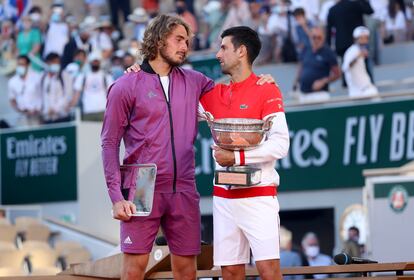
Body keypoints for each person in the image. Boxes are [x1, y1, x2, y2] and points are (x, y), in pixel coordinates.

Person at [107, 14, 275, 280]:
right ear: (159, 39)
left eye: (187, 41)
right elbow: (109, 143)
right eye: (178, 40)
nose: (185, 47)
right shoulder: (126, 85)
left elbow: (233, 92)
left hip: (184, 185)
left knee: (187, 271)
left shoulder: (195, 81)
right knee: (133, 269)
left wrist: (260, 82)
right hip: (141, 184)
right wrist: (116, 197)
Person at [200, 26, 289, 280]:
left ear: (241, 51)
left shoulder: (267, 90)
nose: (218, 54)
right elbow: (172, 98)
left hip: (259, 196)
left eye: (223, 47)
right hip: (223, 198)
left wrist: (237, 158)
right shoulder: (212, 94)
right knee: (229, 271)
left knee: (269, 271)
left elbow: (281, 144)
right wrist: (141, 70)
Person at [293, 26, 340, 102]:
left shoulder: (328, 52)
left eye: (319, 37)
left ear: (323, 38)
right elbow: (301, 66)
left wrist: (323, 81)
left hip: (320, 94)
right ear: (310, 37)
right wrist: (296, 83)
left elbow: (337, 74)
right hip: (303, 93)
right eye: (314, 37)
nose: (316, 40)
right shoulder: (306, 49)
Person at [342, 26, 378, 99]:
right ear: (356, 39)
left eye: (366, 38)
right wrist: (357, 56)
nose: (364, 41)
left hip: (368, 88)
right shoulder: (351, 51)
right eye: (361, 38)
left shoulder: (366, 51)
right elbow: (346, 67)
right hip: (357, 92)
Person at [8, 55, 42, 126]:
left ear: (28, 65)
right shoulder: (12, 81)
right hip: (22, 117)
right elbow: (12, 100)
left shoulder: (37, 77)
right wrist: (20, 110)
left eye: (22, 64)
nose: (20, 67)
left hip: (37, 115)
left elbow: (43, 95)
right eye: (18, 64)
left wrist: (37, 109)